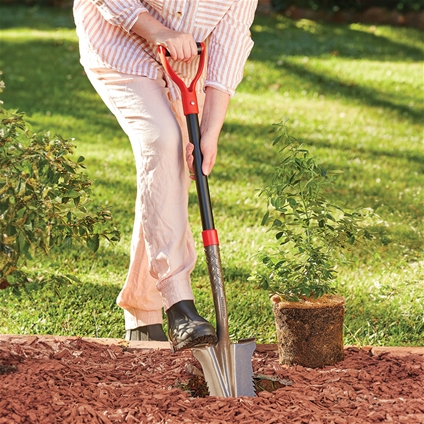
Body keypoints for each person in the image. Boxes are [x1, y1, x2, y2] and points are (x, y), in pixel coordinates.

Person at [73, 0, 258, 351]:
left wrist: (211, 131)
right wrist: (159, 32)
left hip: (186, 67)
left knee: (168, 173)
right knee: (163, 140)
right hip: (118, 45)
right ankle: (179, 304)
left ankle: (143, 319)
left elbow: (231, 38)